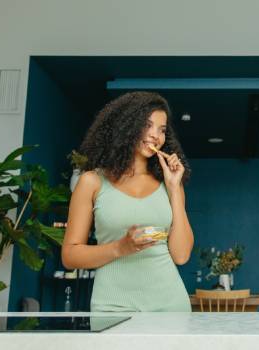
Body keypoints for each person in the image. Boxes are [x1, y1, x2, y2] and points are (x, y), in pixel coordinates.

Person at [62, 91, 193, 312]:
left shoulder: (169, 183)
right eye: (147, 125)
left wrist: (173, 188)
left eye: (162, 130)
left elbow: (181, 256)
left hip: (170, 305)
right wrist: (120, 248)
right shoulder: (91, 182)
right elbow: (70, 256)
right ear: (126, 125)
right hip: (113, 306)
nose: (155, 136)